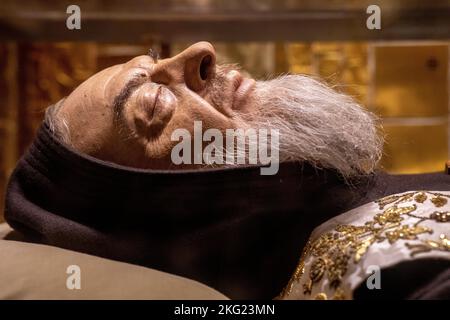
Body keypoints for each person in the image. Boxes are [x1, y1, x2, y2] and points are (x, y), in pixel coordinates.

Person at [4, 42, 450, 299]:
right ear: (163, 209)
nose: (200, 51)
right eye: (155, 102)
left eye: (156, 58)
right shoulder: (373, 273)